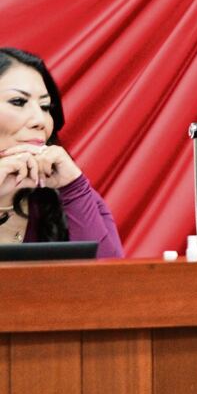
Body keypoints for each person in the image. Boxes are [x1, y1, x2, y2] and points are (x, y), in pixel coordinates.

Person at [0, 48, 123, 257]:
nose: (40, 120)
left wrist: (74, 188)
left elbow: (110, 276)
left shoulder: (71, 194)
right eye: (18, 102)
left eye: (45, 106)